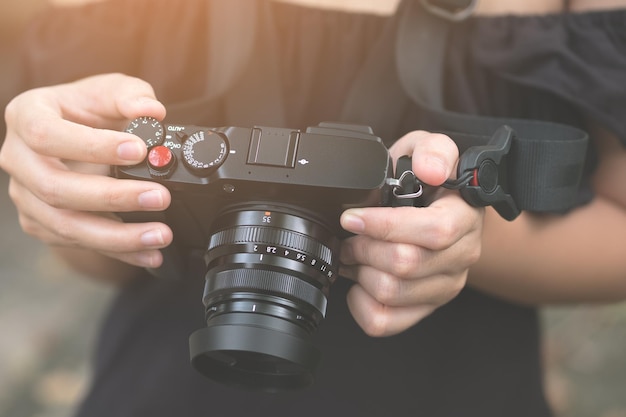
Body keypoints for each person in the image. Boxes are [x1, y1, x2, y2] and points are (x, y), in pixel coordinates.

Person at [1, 0, 626, 415]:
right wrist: (74, 193)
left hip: (454, 388)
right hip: (164, 384)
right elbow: (106, 261)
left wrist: (446, 226)